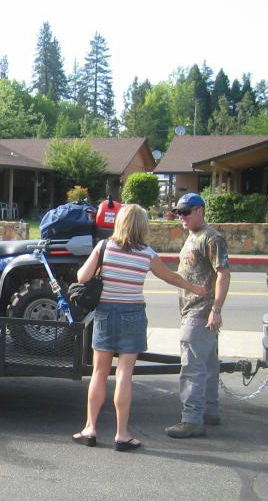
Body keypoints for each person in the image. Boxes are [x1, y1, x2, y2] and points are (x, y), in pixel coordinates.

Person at [72, 204, 206, 452]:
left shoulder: (104, 247)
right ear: (142, 226)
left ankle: (90, 428)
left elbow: (82, 277)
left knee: (100, 372)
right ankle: (121, 435)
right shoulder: (147, 254)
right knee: (124, 373)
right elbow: (171, 277)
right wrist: (197, 289)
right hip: (133, 314)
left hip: (104, 313)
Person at [166, 193, 231, 439]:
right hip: (194, 312)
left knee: (191, 367)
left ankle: (191, 420)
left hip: (200, 312)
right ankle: (210, 412)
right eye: (179, 212)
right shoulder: (194, 236)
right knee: (208, 365)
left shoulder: (211, 238)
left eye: (186, 211)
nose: (181, 216)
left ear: (200, 211)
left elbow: (223, 274)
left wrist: (216, 309)